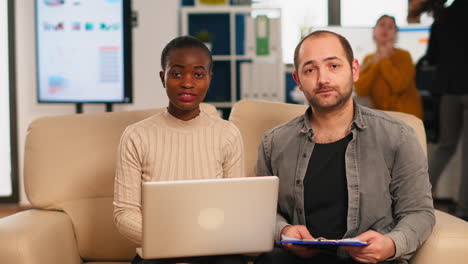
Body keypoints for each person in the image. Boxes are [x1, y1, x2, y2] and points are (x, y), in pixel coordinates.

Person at [254, 30, 434, 264]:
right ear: (298, 80)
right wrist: (283, 230)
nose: (323, 79)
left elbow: (419, 212)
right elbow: (261, 211)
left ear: (354, 70)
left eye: (334, 66)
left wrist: (391, 244)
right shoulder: (273, 143)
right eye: (310, 70)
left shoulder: (397, 136)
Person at [113, 36, 246, 264]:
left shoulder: (228, 134)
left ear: (209, 79)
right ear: (162, 78)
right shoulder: (135, 135)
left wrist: (197, 245)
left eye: (198, 74)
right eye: (176, 74)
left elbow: (234, 211)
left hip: (212, 250)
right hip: (158, 252)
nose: (187, 83)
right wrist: (174, 243)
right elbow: (124, 215)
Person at [413, 0, 468, 220]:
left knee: (445, 147)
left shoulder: (443, 16)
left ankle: (416, 199)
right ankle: (464, 212)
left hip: (448, 91)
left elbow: (432, 57)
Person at [354, 15, 423, 120]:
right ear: (374, 31)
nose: (385, 29)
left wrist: (383, 60)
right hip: (382, 119)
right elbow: (360, 90)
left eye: (390, 27)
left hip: (407, 118)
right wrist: (376, 63)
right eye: (382, 25)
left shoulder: (404, 56)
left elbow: (399, 86)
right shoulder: (369, 59)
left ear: (395, 34)